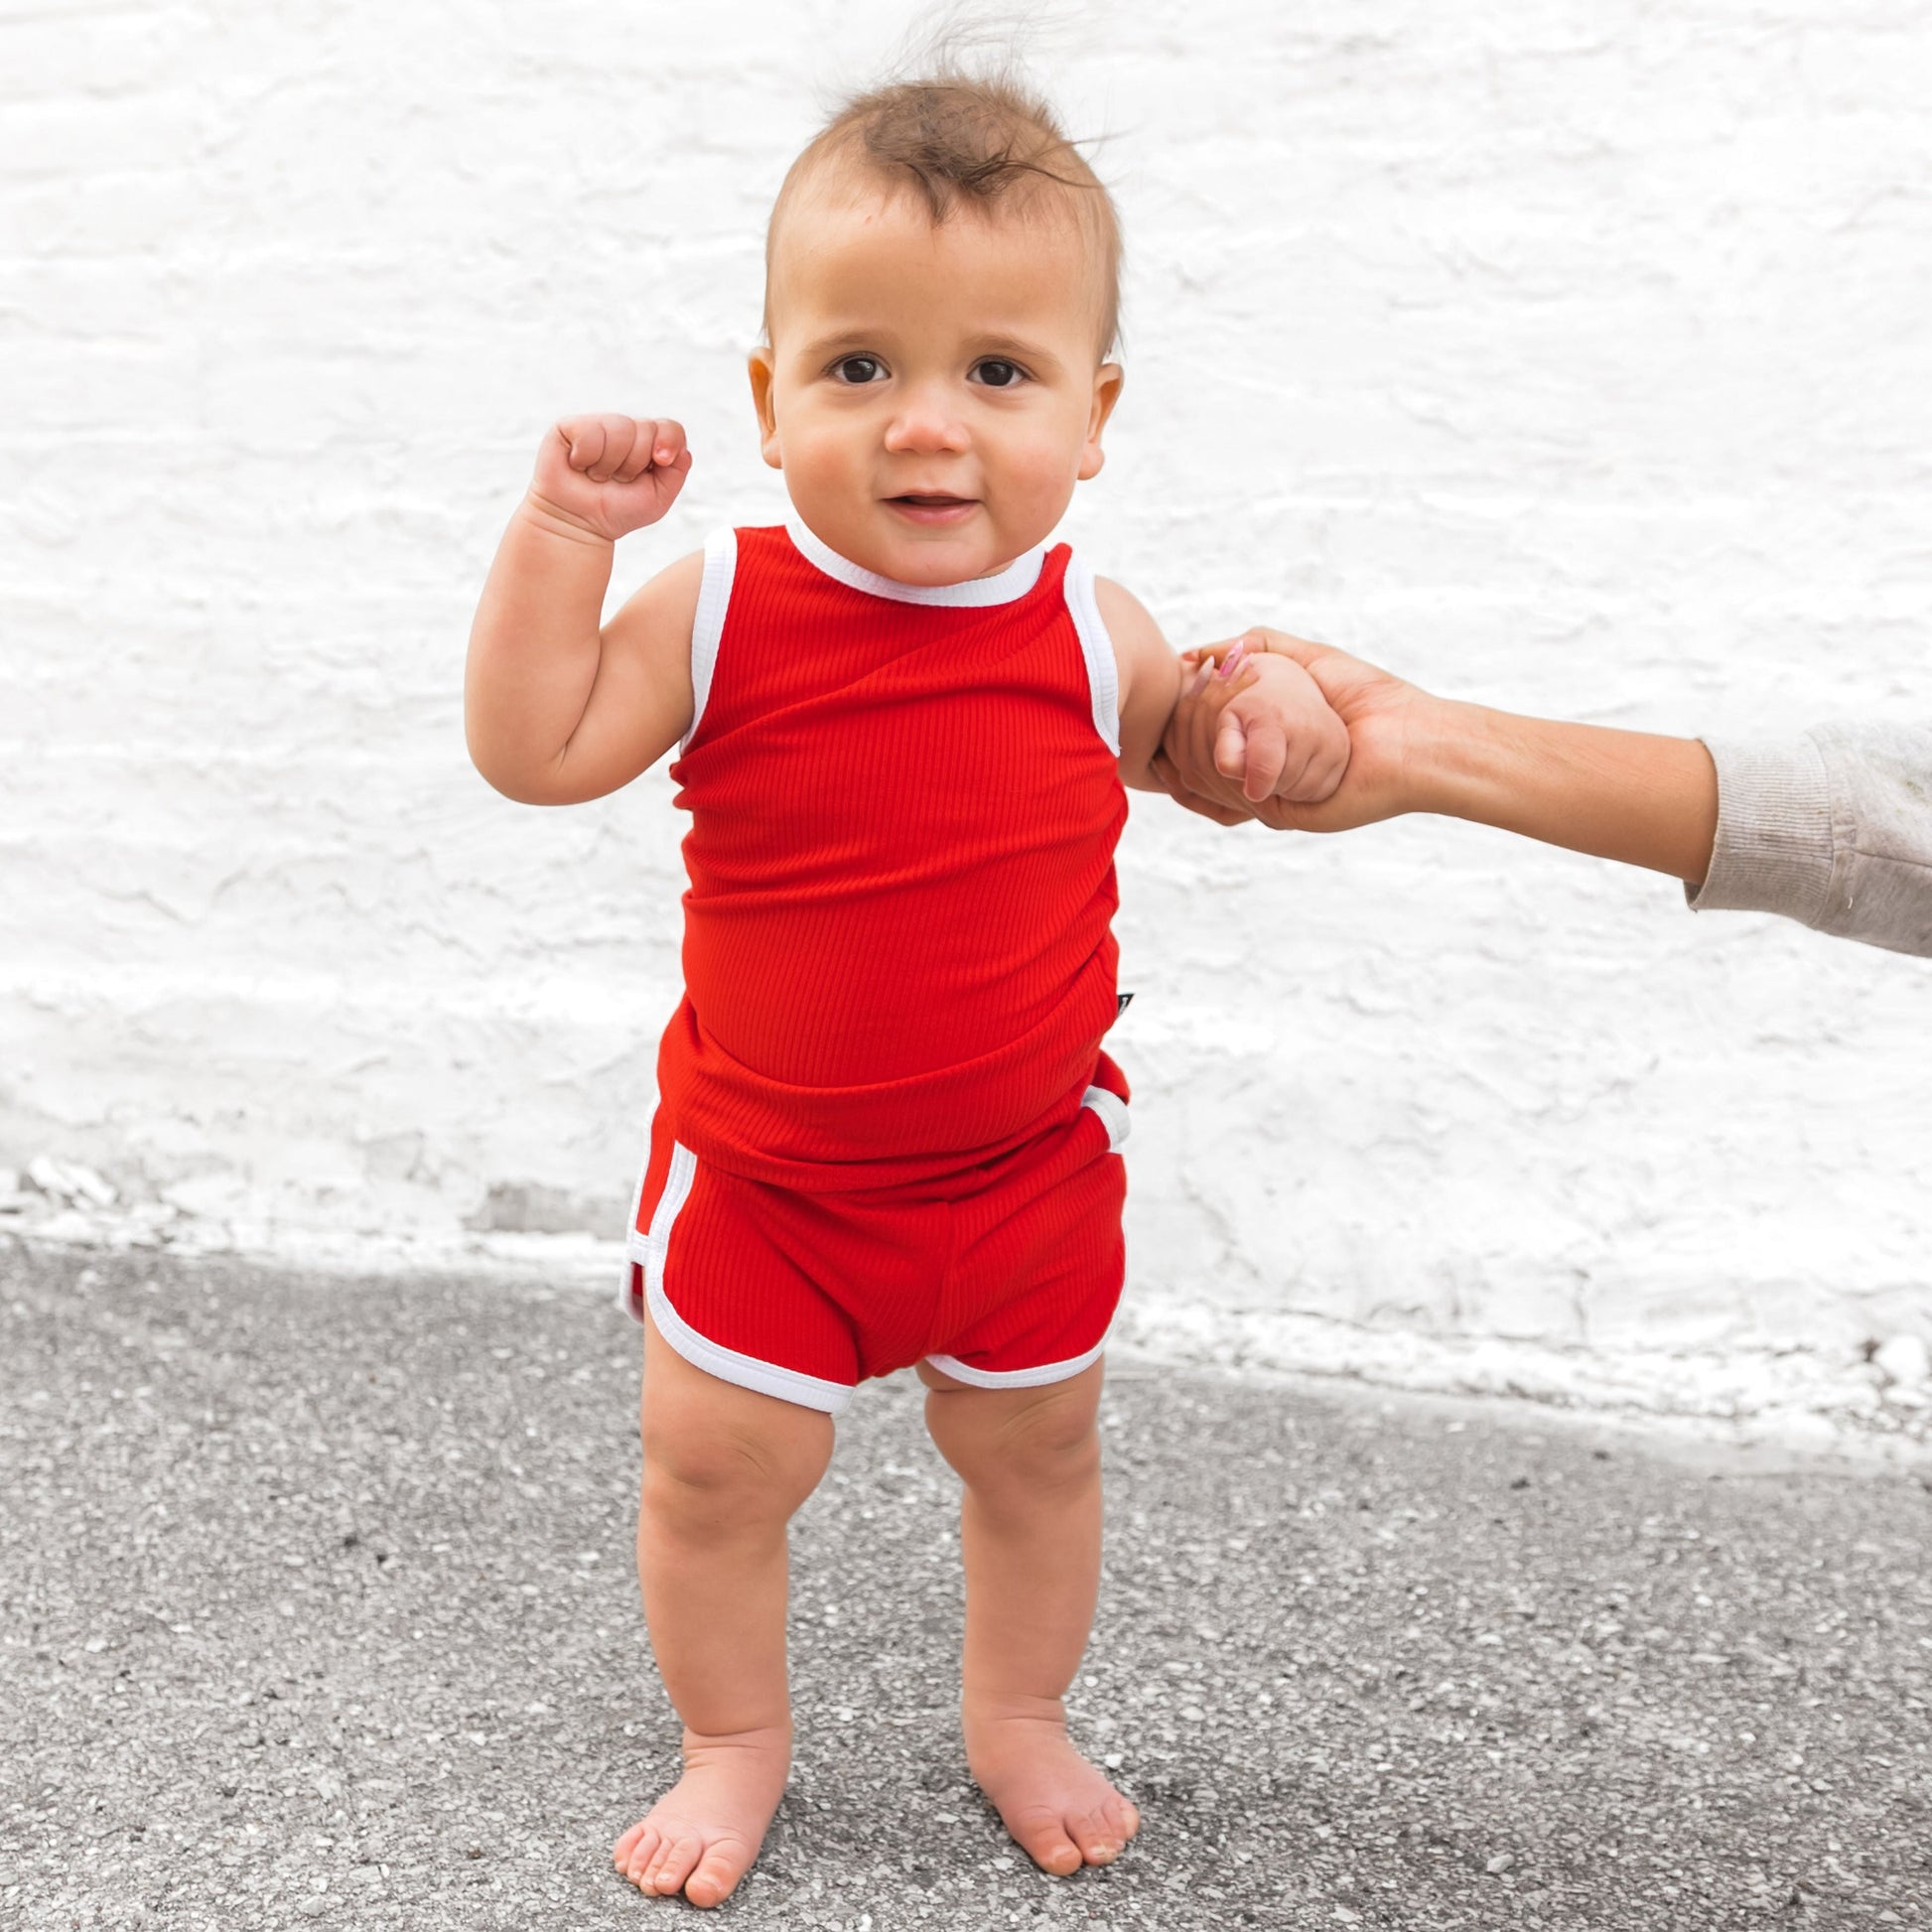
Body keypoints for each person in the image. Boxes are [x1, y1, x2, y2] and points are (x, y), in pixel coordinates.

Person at [464, 73, 1350, 1909]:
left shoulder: (1099, 631)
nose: (925, 427)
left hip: (1022, 1181)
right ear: (769, 394)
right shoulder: (720, 605)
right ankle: (736, 1739)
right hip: (773, 1189)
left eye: (998, 375)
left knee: (1036, 1461)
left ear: (1094, 417)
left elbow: (1213, 755)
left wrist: (1251, 722)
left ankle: (1016, 1710)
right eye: (859, 367)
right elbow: (534, 751)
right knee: (717, 1475)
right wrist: (565, 539)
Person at [1156, 628, 1932, 958]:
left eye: (1027, 375)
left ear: (1098, 411)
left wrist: (1261, 696)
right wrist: (1422, 743)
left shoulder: (1091, 624)